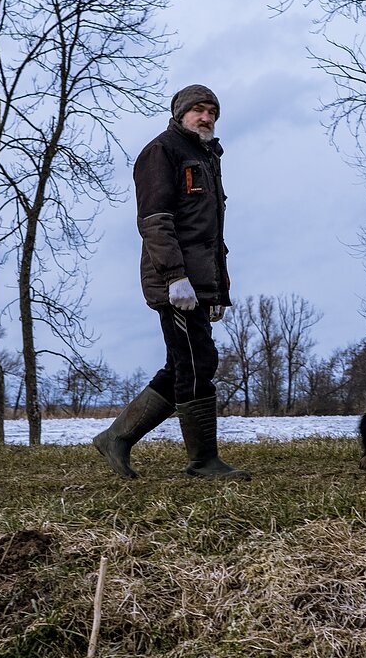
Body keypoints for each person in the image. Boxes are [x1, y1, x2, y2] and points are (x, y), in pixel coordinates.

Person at [93, 84, 250, 480]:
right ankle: (203, 462)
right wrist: (176, 277)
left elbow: (210, 233)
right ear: (180, 114)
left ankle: (117, 436)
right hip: (175, 282)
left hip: (199, 283)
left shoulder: (206, 156)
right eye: (198, 110)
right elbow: (154, 221)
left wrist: (218, 291)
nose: (206, 117)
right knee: (195, 363)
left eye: (212, 110)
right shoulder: (163, 151)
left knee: (188, 363)